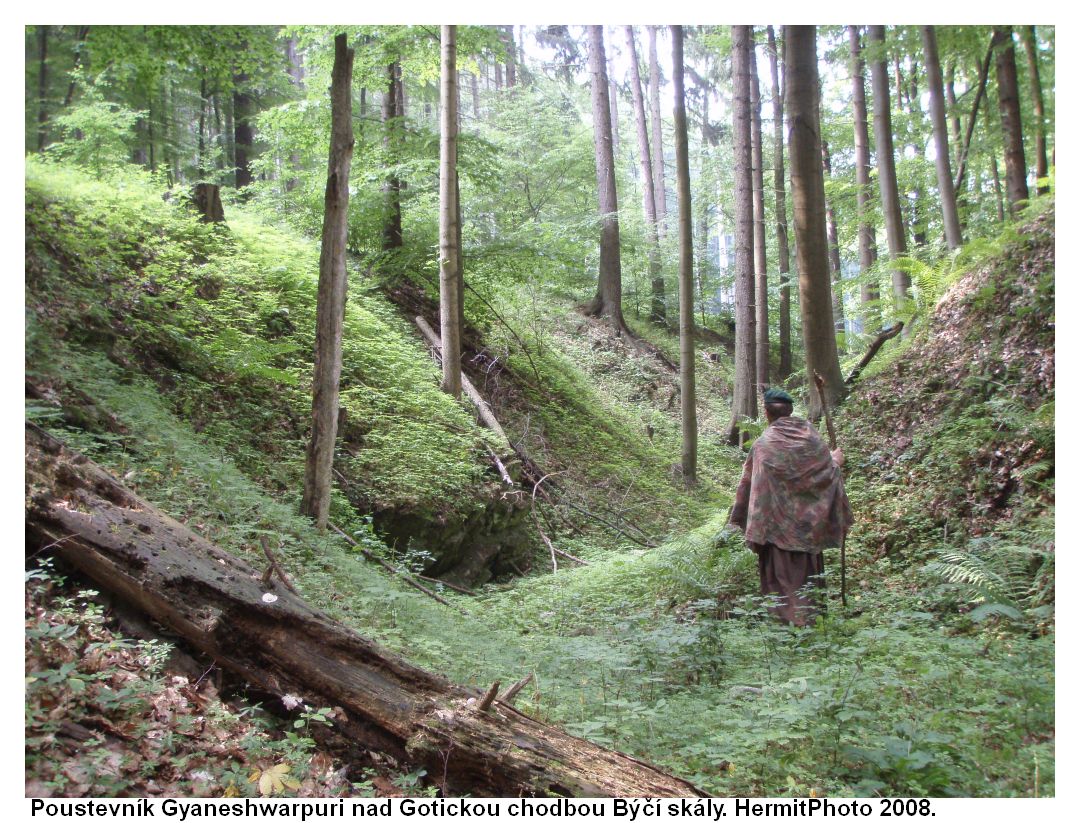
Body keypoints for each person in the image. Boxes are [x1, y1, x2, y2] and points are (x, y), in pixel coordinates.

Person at [728, 388, 852, 626]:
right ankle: (810, 622)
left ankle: (789, 626)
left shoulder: (764, 444)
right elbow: (823, 472)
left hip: (774, 529)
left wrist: (738, 517)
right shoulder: (811, 437)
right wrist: (835, 461)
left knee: (781, 581)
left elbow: (748, 483)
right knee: (807, 578)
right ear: (791, 410)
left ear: (766, 413)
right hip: (808, 528)